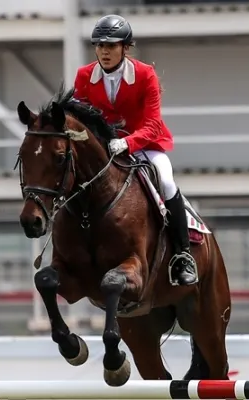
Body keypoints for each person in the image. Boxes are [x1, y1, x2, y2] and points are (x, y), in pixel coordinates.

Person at [72, 14, 198, 286]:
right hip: (105, 150)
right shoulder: (84, 76)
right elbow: (79, 117)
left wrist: (127, 142)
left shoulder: (144, 74)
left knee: (165, 180)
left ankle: (182, 255)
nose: (104, 52)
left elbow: (153, 124)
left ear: (125, 47)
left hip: (144, 145)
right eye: (100, 46)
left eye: (112, 46)